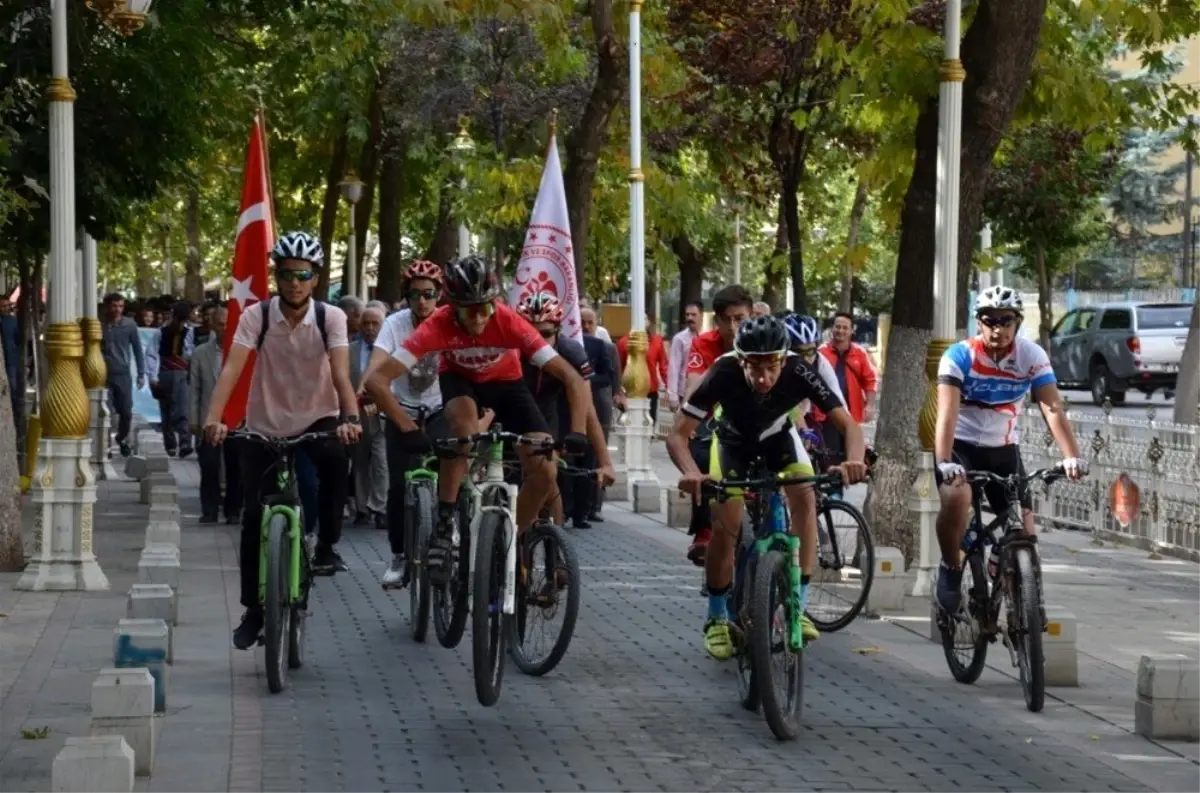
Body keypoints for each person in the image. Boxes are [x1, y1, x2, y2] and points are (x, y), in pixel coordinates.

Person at [360, 254, 615, 583]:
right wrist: (407, 428)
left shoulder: (508, 321)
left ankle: (513, 539)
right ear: (453, 308)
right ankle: (444, 524)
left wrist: (578, 431)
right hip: (461, 382)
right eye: (470, 311)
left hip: (506, 385)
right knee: (463, 433)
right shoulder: (439, 324)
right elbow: (376, 381)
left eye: (486, 308)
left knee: (546, 469)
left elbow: (572, 378)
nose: (480, 319)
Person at [666, 315, 868, 659]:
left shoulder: (798, 369)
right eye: (754, 368)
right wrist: (691, 473)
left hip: (778, 438)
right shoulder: (723, 371)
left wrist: (853, 460)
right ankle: (716, 616)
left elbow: (847, 423)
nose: (763, 378)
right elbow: (678, 434)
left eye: (771, 367)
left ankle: (797, 607)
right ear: (741, 360)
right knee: (724, 523)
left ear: (783, 359)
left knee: (804, 496)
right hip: (731, 443)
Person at [202, 231, 362, 650]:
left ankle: (327, 544)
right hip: (266, 422)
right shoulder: (258, 315)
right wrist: (214, 419)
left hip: (318, 415)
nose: (294, 282)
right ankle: (254, 611)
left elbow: (342, 376)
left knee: (331, 465)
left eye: (303, 275)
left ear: (315, 278)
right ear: (277, 276)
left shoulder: (332, 318)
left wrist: (349, 418)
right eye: (287, 274)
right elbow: (232, 371)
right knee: (254, 516)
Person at [933, 287, 1087, 616]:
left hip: (1004, 450)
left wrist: (1071, 456)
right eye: (990, 321)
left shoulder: (1031, 356)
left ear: (1017, 323)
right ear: (979, 323)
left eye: (1006, 321)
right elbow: (946, 415)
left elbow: (1052, 408)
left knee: (1025, 533)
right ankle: (950, 567)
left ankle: (1030, 607)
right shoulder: (959, 356)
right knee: (957, 499)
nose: (997, 329)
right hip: (961, 448)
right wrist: (944, 462)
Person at [372, 260, 448, 587]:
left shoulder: (450, 323)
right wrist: (366, 388)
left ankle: (449, 535)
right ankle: (400, 556)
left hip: (440, 408)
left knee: (453, 472)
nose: (422, 301)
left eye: (429, 294)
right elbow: (376, 365)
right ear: (406, 296)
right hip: (401, 409)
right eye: (415, 294)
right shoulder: (394, 324)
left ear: (439, 295)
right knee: (400, 486)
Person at [515, 292, 610, 527]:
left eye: (545, 334)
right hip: (513, 408)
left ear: (558, 331)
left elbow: (588, 411)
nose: (537, 342)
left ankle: (556, 554)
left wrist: (605, 462)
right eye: (530, 333)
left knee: (548, 477)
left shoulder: (571, 352)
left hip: (548, 413)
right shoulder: (512, 350)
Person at [682, 284, 753, 565]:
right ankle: (704, 529)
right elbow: (693, 386)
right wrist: (690, 419)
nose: (736, 326)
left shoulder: (758, 341)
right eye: (730, 319)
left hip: (750, 418)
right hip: (711, 417)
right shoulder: (704, 343)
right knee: (701, 457)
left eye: (742, 319)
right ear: (718, 321)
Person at [189, 307, 241, 524]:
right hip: (209, 417)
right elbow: (195, 389)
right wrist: (195, 420)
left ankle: (233, 510)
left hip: (235, 418)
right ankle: (209, 510)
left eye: (229, 324)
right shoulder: (201, 353)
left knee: (235, 466)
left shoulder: (243, 352)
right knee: (209, 464)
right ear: (212, 326)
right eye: (220, 324)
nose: (225, 329)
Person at [349, 305, 389, 529]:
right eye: (366, 323)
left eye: (375, 324)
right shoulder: (350, 350)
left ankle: (380, 507)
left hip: (382, 415)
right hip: (358, 415)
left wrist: (382, 403)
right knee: (360, 462)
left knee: (381, 461)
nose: (370, 328)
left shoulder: (391, 350)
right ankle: (362, 508)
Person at [100, 292, 146, 457]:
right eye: (114, 306)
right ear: (107, 307)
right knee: (106, 412)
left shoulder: (130, 325)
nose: (117, 309)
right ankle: (106, 446)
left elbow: (138, 350)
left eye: (120, 306)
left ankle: (122, 437)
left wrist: (141, 373)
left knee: (126, 411)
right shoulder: (100, 325)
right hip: (103, 375)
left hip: (123, 374)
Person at [156, 300, 195, 458]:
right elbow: (152, 354)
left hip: (181, 372)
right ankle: (170, 444)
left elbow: (190, 352)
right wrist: (152, 377)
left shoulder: (189, 333)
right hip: (165, 372)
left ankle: (185, 441)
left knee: (183, 408)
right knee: (166, 409)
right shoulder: (161, 332)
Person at [616, 315, 668, 423]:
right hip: (629, 391)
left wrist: (670, 387)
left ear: (648, 322)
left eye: (644, 319)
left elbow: (664, 366)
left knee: (649, 424)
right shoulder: (623, 342)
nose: (641, 322)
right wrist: (618, 391)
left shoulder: (657, 342)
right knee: (629, 425)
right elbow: (619, 368)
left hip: (650, 391)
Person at [667, 301, 702, 412]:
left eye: (693, 314)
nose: (689, 318)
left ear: (701, 315)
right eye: (687, 315)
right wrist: (673, 396)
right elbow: (674, 367)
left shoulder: (708, 338)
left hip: (703, 392)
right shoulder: (679, 339)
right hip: (684, 393)